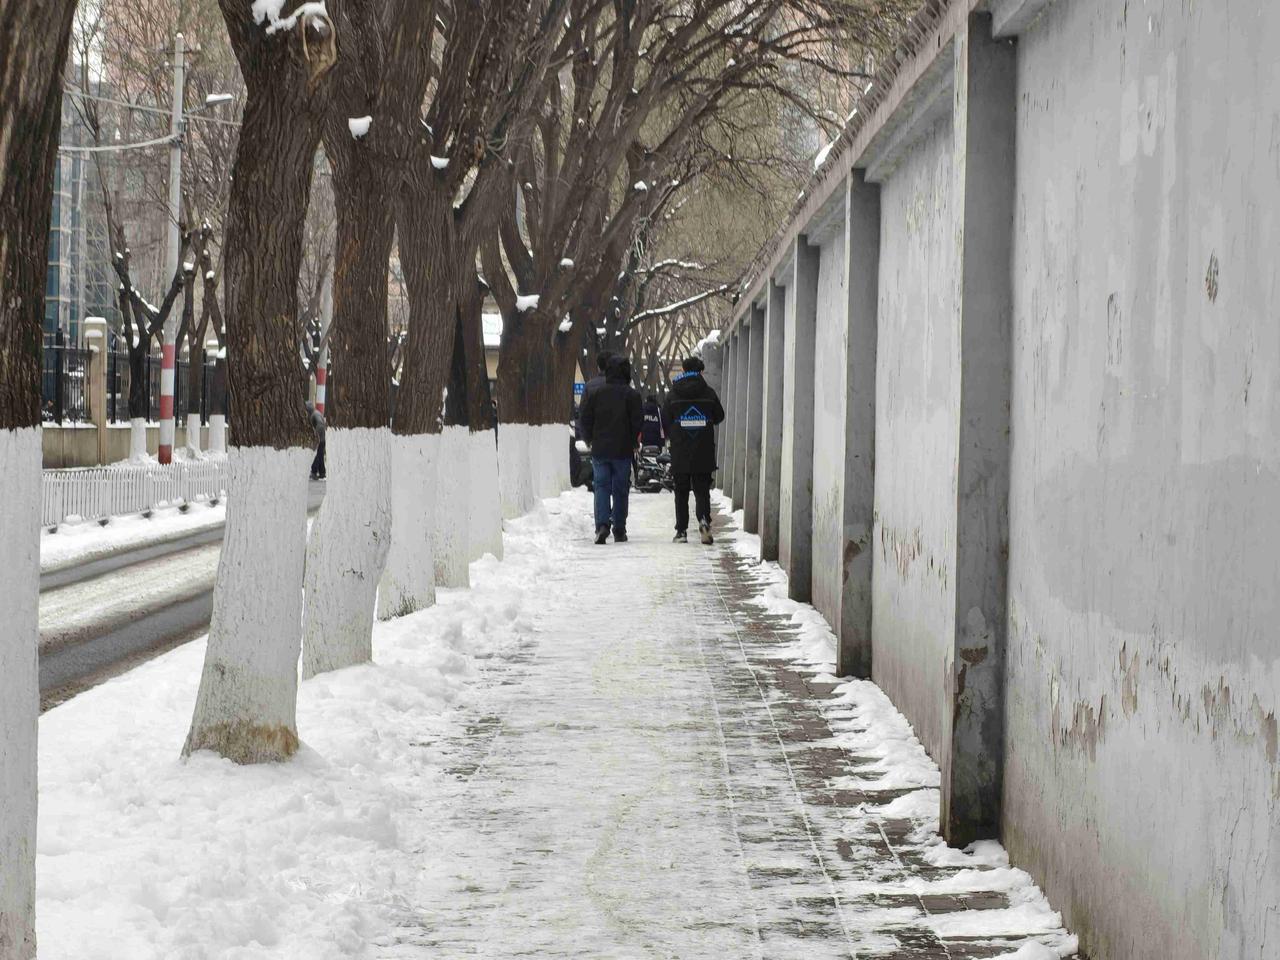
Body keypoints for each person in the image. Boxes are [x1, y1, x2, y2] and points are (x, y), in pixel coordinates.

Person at [580, 355, 642, 544]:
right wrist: (633, 442)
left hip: (600, 449)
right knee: (620, 489)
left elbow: (586, 418)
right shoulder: (632, 395)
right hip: (622, 450)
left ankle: (602, 526)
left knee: (601, 487)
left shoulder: (597, 393)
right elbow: (637, 423)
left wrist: (589, 439)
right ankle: (619, 528)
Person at [663, 355, 724, 544]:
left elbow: (665, 419)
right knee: (701, 490)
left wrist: (677, 429)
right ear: (700, 371)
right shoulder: (709, 393)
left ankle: (681, 531)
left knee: (681, 492)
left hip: (680, 451)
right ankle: (704, 520)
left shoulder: (673, 394)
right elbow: (719, 416)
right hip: (703, 450)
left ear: (683, 370)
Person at [307, 403, 326, 480]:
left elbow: (320, 425)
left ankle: (314, 472)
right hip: (322, 438)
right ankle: (322, 472)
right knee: (320, 455)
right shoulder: (315, 413)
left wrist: (315, 435)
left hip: (320, 438)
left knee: (317, 455)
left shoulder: (315, 414)